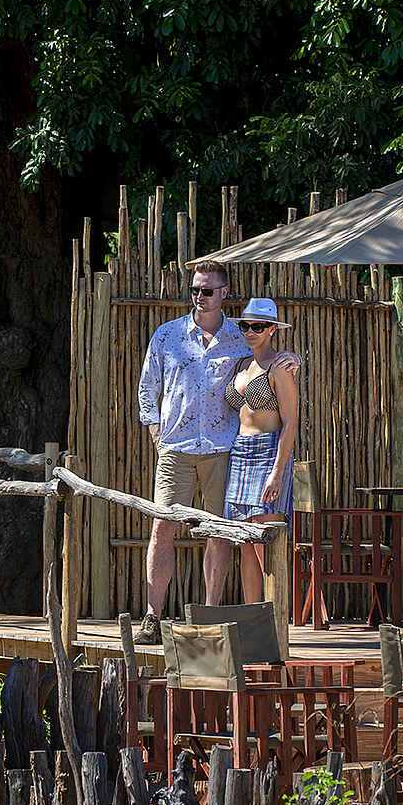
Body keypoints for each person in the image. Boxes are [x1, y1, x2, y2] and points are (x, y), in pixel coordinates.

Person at [133, 262, 297, 644]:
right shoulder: (167, 335)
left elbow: (271, 359)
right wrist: (155, 429)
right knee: (162, 529)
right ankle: (151, 618)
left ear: (224, 293)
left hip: (224, 449)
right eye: (194, 289)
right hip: (175, 449)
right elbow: (147, 389)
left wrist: (295, 360)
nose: (199, 296)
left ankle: (210, 614)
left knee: (220, 534)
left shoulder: (240, 339)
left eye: (207, 290)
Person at [221, 298, 301, 604]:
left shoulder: (280, 368)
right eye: (246, 326)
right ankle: (254, 618)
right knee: (244, 542)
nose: (250, 332)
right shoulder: (242, 364)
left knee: (266, 541)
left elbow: (291, 422)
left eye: (258, 326)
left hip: (268, 451)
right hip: (240, 452)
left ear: (271, 330)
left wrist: (278, 472)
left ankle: (276, 618)